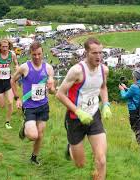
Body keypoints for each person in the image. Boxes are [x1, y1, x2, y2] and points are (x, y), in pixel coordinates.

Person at [56, 38, 112, 180]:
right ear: (86, 53)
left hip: (94, 116)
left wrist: (105, 104)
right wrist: (78, 111)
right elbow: (60, 94)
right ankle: (70, 148)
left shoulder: (104, 70)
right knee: (80, 164)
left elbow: (103, 87)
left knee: (101, 160)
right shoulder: (76, 71)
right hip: (75, 119)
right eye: (94, 53)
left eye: (101, 52)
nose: (98, 56)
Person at [12, 42, 55, 166]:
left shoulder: (48, 68)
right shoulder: (24, 67)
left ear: (42, 53)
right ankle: (25, 127)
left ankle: (34, 158)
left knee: (40, 134)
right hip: (29, 107)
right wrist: (17, 98)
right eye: (34, 54)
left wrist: (51, 86)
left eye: (39, 54)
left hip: (43, 106)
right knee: (33, 136)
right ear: (30, 54)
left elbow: (52, 91)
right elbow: (12, 81)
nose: (37, 57)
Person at [119, 68, 140, 152]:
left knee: (135, 128)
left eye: (133, 76)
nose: (132, 78)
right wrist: (126, 88)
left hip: (134, 110)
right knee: (139, 126)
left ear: (135, 77)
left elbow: (124, 96)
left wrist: (122, 90)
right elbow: (136, 93)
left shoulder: (134, 86)